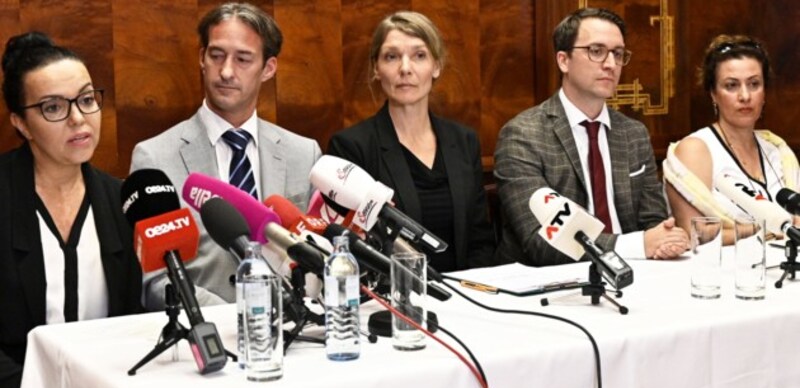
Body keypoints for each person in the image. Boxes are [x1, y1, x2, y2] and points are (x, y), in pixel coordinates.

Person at [0, 32, 143, 388]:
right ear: (20, 123)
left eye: (86, 99)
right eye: (53, 108)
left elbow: (132, 317)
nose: (79, 119)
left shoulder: (122, 200)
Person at [130, 2, 321, 309]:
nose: (226, 71)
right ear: (201, 59)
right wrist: (240, 317)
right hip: (208, 333)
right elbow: (157, 280)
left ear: (268, 68)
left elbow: (316, 255)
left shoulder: (304, 152)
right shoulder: (154, 157)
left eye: (243, 59)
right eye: (216, 55)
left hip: (294, 331)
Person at [493, 7, 688, 266]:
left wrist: (665, 239)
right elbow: (541, 242)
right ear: (563, 60)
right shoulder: (523, 135)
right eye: (596, 51)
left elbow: (652, 221)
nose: (610, 64)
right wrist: (638, 244)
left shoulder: (634, 134)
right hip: (552, 283)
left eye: (617, 54)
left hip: (635, 272)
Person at [326, 11, 496, 272]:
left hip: (465, 297)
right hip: (392, 301)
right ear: (376, 68)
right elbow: (355, 247)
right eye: (392, 57)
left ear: (436, 66)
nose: (405, 68)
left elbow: (480, 240)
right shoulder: (351, 147)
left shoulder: (464, 141)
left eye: (419, 55)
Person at [664, 35, 799, 245]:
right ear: (713, 94)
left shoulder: (777, 150)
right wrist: (769, 228)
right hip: (724, 273)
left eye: (754, 84)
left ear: (764, 93)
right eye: (731, 85)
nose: (745, 96)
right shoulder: (696, 149)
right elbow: (694, 234)